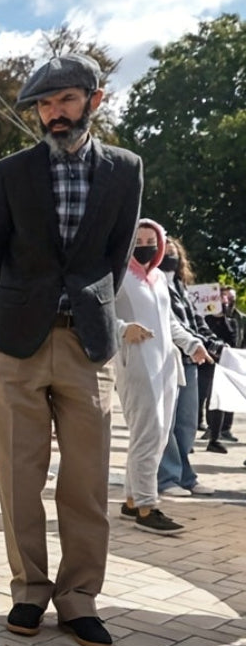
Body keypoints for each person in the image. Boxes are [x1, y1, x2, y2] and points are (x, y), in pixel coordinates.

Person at [0, 54, 142, 646]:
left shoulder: (126, 169)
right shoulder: (9, 172)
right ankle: (29, 588)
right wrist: (23, 308)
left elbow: (116, 255)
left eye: (66, 100)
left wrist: (86, 308)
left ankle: (79, 598)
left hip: (86, 344)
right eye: (45, 104)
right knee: (18, 477)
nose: (54, 113)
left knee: (87, 480)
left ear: (94, 100)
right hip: (17, 344)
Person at [115, 220, 210, 535]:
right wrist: (123, 329)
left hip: (166, 366)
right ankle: (147, 507)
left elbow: (169, 321)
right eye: (138, 241)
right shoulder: (116, 275)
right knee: (149, 434)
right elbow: (99, 314)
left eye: (150, 241)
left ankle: (132, 501)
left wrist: (193, 344)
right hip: (136, 364)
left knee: (156, 435)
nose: (145, 246)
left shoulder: (157, 279)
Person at [156, 236, 220, 499]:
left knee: (187, 424)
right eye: (165, 251)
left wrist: (212, 342)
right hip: (168, 359)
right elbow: (172, 324)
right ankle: (168, 477)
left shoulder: (181, 287)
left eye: (174, 252)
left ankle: (183, 475)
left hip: (190, 361)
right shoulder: (154, 283)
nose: (170, 256)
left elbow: (196, 321)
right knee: (167, 424)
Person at [203, 286, 245, 453]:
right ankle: (209, 430)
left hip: (224, 366)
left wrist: (224, 317)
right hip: (205, 364)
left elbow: (233, 341)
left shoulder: (232, 322)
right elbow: (204, 334)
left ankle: (216, 436)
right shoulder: (206, 319)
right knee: (204, 399)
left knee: (220, 401)